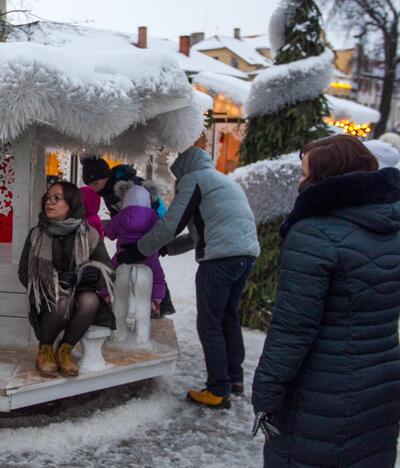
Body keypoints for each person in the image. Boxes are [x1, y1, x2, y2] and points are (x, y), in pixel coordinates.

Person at [252, 135, 400, 467]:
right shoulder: (392, 225)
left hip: (321, 393)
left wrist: (265, 394)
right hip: (382, 385)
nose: (300, 182)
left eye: (304, 174)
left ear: (326, 178)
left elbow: (292, 331)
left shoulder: (313, 234)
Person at [116, 136, 259, 409]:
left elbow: (170, 224)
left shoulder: (194, 180)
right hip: (244, 256)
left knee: (210, 323)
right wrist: (166, 249)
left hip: (218, 261)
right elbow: (198, 234)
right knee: (228, 317)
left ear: (182, 170)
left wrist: (137, 251)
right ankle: (234, 378)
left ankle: (218, 389)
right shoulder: (222, 180)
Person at [18, 181, 115, 378]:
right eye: (48, 197)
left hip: (80, 292)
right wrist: (54, 279)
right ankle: (45, 350)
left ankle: (64, 351)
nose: (49, 202)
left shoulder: (90, 234)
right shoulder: (37, 234)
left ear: (72, 203)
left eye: (56, 198)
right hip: (48, 296)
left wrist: (94, 275)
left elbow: (109, 271)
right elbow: (23, 272)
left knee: (90, 300)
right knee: (61, 302)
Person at [105, 184, 166, 317]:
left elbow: (109, 233)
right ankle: (156, 301)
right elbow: (160, 233)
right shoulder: (153, 216)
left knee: (108, 271)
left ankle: (106, 295)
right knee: (158, 276)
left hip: (122, 255)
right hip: (148, 256)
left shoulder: (120, 216)